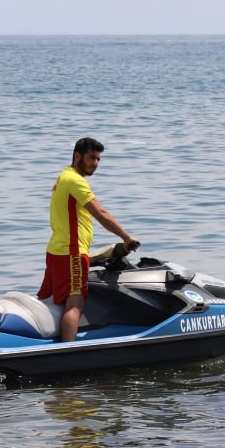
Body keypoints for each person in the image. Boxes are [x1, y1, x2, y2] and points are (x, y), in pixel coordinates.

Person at [37, 137, 139, 342]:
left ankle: (42, 342)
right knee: (75, 304)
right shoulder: (75, 180)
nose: (96, 163)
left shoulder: (63, 177)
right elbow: (100, 213)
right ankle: (68, 352)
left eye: (99, 159)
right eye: (92, 158)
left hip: (57, 250)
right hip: (72, 252)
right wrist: (126, 237)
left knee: (52, 301)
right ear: (77, 156)